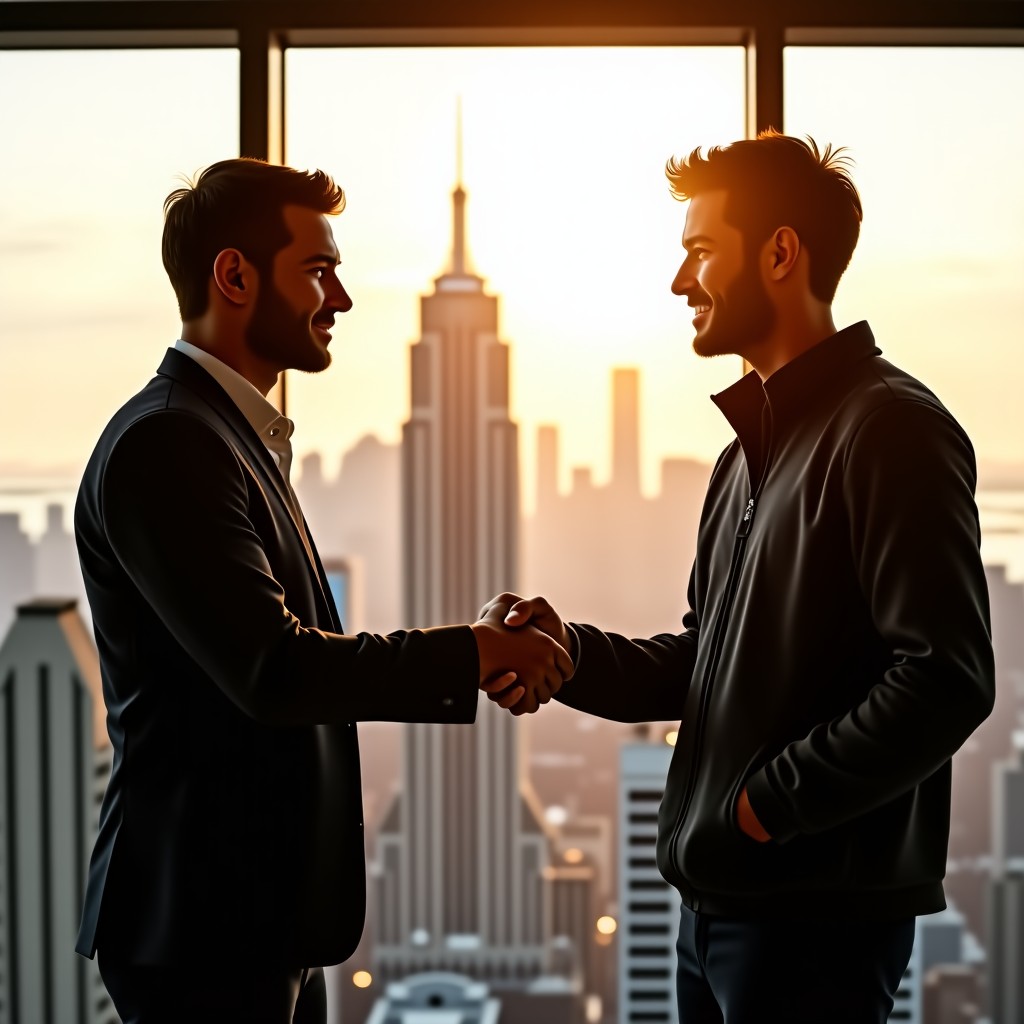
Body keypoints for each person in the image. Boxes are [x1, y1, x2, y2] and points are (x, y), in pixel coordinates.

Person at [488, 130, 995, 1023]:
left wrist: (768, 805)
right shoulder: (745, 459)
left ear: (780, 252)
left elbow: (947, 677)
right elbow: (706, 664)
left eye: (699, 252)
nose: (681, 282)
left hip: (813, 926)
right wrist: (567, 653)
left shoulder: (891, 429)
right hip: (716, 913)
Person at [74, 157, 571, 1024]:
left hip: (256, 918)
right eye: (317, 269)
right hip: (204, 928)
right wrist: (475, 652)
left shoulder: (224, 435)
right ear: (234, 275)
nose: (339, 298)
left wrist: (475, 642)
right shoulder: (170, 443)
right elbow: (274, 668)